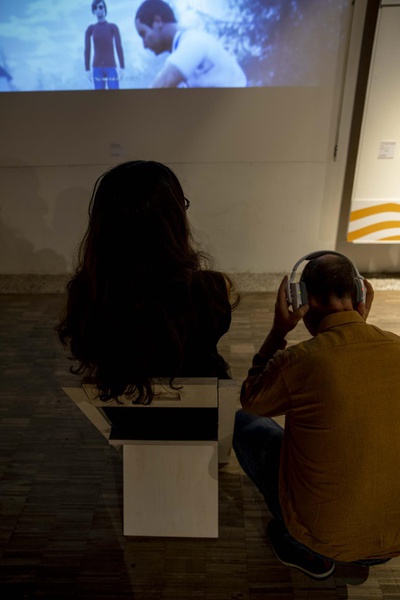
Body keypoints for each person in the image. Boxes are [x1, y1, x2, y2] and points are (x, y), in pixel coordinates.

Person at [233, 250, 400, 580]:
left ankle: (304, 549)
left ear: (301, 299)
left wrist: (278, 332)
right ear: (359, 295)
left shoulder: (300, 361)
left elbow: (251, 399)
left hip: (326, 540)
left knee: (244, 423)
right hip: (396, 542)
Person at [56, 160, 236, 404]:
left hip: (125, 418)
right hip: (202, 416)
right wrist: (277, 333)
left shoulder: (87, 294)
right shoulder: (212, 289)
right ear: (172, 221)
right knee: (264, 426)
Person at [135, 0, 246, 88]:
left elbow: (161, 85)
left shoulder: (193, 40)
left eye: (143, 34)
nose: (144, 45)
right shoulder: (184, 45)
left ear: (158, 21)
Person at [84, 0, 125, 90]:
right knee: (100, 96)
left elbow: (119, 47)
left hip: (111, 66)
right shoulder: (91, 29)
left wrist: (122, 66)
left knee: (114, 94)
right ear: (93, 11)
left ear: (104, 9)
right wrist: (87, 69)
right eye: (95, 8)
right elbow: (87, 49)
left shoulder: (112, 27)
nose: (98, 10)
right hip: (97, 68)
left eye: (100, 7)